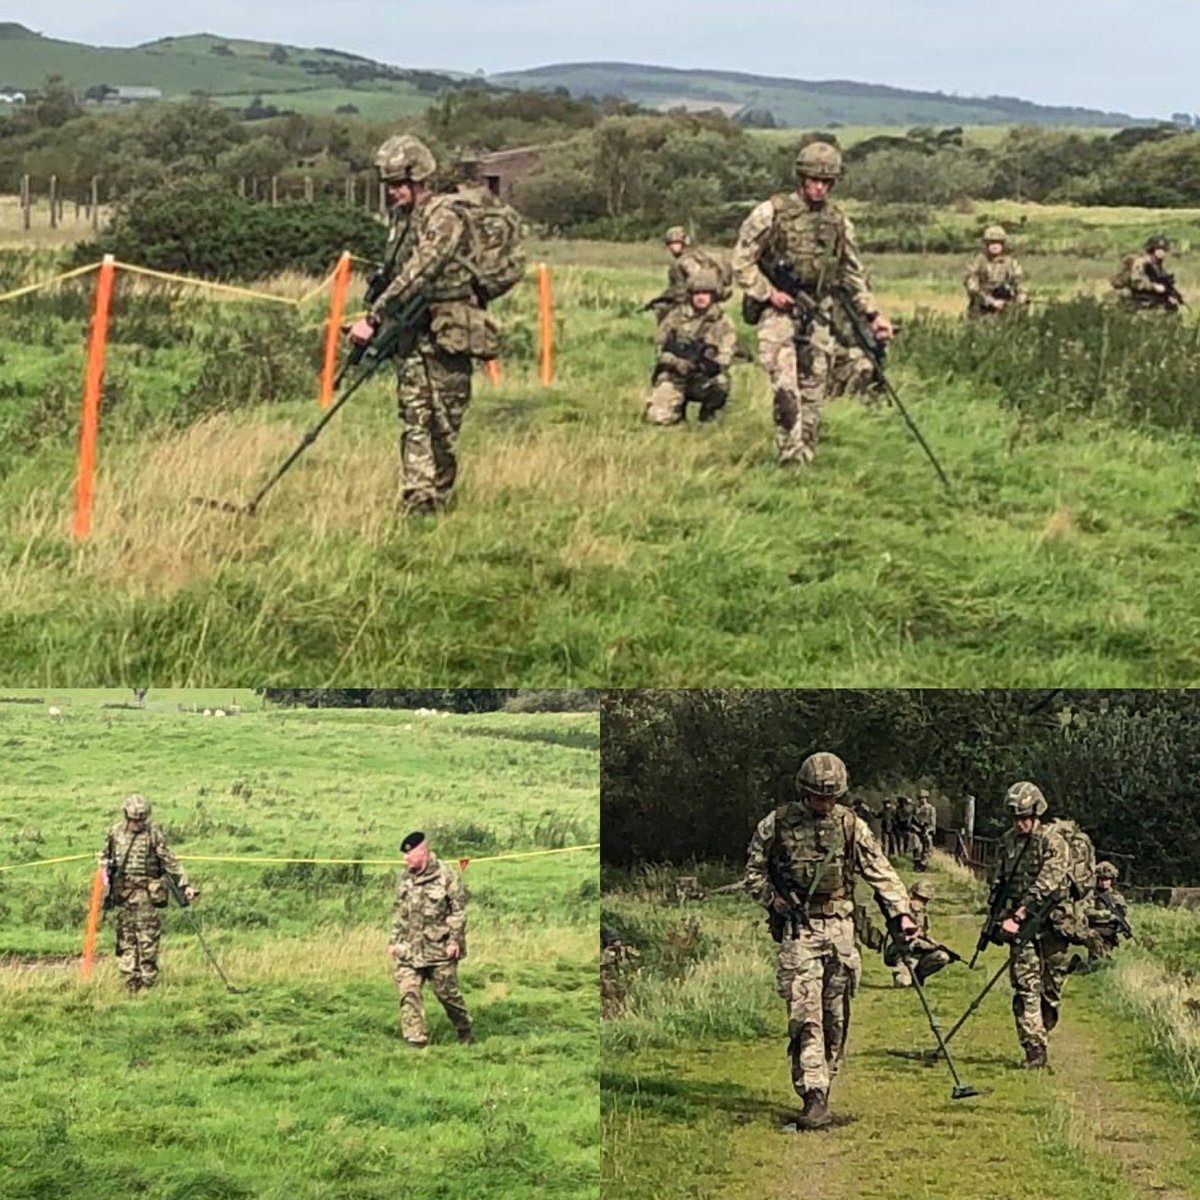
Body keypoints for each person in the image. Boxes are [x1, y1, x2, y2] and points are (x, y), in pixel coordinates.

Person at [347, 134, 521, 514]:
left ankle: (438, 492)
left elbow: (423, 269)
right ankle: (419, 498)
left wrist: (376, 314)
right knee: (414, 415)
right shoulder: (401, 221)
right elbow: (396, 270)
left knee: (444, 422)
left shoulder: (444, 215)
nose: (392, 193)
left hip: (448, 332)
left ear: (418, 178)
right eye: (388, 186)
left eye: (398, 185)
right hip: (411, 331)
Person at [744, 751, 917, 1130]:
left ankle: (826, 1076)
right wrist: (772, 899)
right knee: (805, 1014)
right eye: (820, 797)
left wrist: (902, 914)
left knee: (835, 1016)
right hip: (800, 931)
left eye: (832, 797)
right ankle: (814, 1094)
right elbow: (753, 873)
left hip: (840, 928)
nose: (826, 804)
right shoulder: (776, 825)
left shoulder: (852, 826)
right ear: (804, 792)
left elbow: (881, 872)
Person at [732, 140, 894, 467]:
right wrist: (768, 292)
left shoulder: (838, 222)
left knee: (814, 387)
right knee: (785, 387)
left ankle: (806, 451)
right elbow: (741, 261)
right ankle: (790, 456)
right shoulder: (771, 213)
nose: (819, 188)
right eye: (814, 181)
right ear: (801, 179)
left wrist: (874, 315)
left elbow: (853, 273)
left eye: (826, 182)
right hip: (778, 310)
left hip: (817, 310)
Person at [989, 782, 1074, 1069]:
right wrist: (998, 919)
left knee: (1051, 987)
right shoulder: (1007, 842)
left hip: (1052, 923)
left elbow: (1048, 882)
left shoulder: (1053, 841)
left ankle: (1043, 1026)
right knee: (1026, 986)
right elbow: (999, 881)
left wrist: (1021, 913)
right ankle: (1034, 1049)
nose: (1020, 823)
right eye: (1015, 817)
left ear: (1037, 813)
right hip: (1019, 926)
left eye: (1025, 816)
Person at [101, 794, 196, 992]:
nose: (138, 823)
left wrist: (185, 886)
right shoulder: (115, 833)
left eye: (141, 819)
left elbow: (170, 861)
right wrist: (104, 875)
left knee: (147, 938)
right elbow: (106, 858)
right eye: (134, 819)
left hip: (145, 894)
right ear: (126, 816)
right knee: (125, 938)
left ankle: (147, 982)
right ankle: (130, 981)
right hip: (123, 894)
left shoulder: (154, 834)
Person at [388, 830, 474, 1047]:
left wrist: (454, 940)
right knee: (409, 992)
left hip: (440, 949)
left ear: (422, 852)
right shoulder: (406, 878)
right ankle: (416, 1041)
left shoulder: (446, 875)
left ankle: (464, 1029)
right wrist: (394, 942)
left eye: (409, 855)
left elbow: (459, 911)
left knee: (447, 994)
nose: (405, 859)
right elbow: (399, 913)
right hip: (409, 949)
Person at [645, 270, 739, 425]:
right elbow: (659, 350)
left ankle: (708, 415)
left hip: (703, 378)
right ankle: (676, 411)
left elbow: (727, 352)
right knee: (658, 418)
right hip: (674, 376)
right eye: (697, 293)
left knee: (721, 383)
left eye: (705, 293)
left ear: (713, 295)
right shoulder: (675, 317)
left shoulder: (722, 321)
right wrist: (677, 363)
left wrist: (708, 363)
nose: (701, 297)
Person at [646, 227, 733, 322]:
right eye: (670, 243)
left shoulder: (685, 261)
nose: (672, 247)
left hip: (695, 298)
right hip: (707, 296)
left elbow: (695, 284)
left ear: (684, 242)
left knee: (664, 311)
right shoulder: (699, 255)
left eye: (676, 243)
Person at [885, 879, 951, 987]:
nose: (921, 903)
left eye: (924, 900)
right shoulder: (902, 911)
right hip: (904, 953)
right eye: (919, 898)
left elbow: (925, 934)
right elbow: (904, 937)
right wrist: (927, 945)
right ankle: (903, 973)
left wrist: (934, 946)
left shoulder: (923, 914)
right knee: (902, 982)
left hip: (920, 954)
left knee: (942, 957)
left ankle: (917, 976)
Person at [964, 225, 1029, 317]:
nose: (995, 246)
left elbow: (1019, 281)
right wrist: (991, 301)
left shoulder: (1011, 263)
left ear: (1003, 244)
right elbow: (972, 286)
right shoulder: (977, 262)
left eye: (998, 243)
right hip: (982, 307)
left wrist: (1022, 295)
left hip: (1005, 306)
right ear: (986, 244)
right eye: (991, 243)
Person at [1112, 235, 1184, 312]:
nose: (1161, 252)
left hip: (1145, 294)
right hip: (1132, 294)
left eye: (1163, 249)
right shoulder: (1141, 262)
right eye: (1158, 249)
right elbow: (1136, 282)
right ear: (1152, 249)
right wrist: (1154, 286)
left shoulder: (1157, 265)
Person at [1085, 860, 1132, 961]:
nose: (1105, 882)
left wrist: (1123, 923)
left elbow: (1123, 912)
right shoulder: (1091, 895)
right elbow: (1086, 910)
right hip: (1096, 929)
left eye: (1108, 879)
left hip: (1110, 932)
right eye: (1102, 879)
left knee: (1110, 958)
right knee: (1097, 955)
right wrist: (1101, 914)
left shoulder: (1116, 896)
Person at [912, 789, 937, 871]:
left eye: (923, 798)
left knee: (927, 848)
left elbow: (933, 821)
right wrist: (915, 828)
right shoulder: (916, 809)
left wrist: (929, 830)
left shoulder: (930, 808)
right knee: (917, 847)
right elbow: (912, 821)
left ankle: (924, 865)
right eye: (920, 798)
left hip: (927, 830)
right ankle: (917, 864)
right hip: (917, 830)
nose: (922, 800)